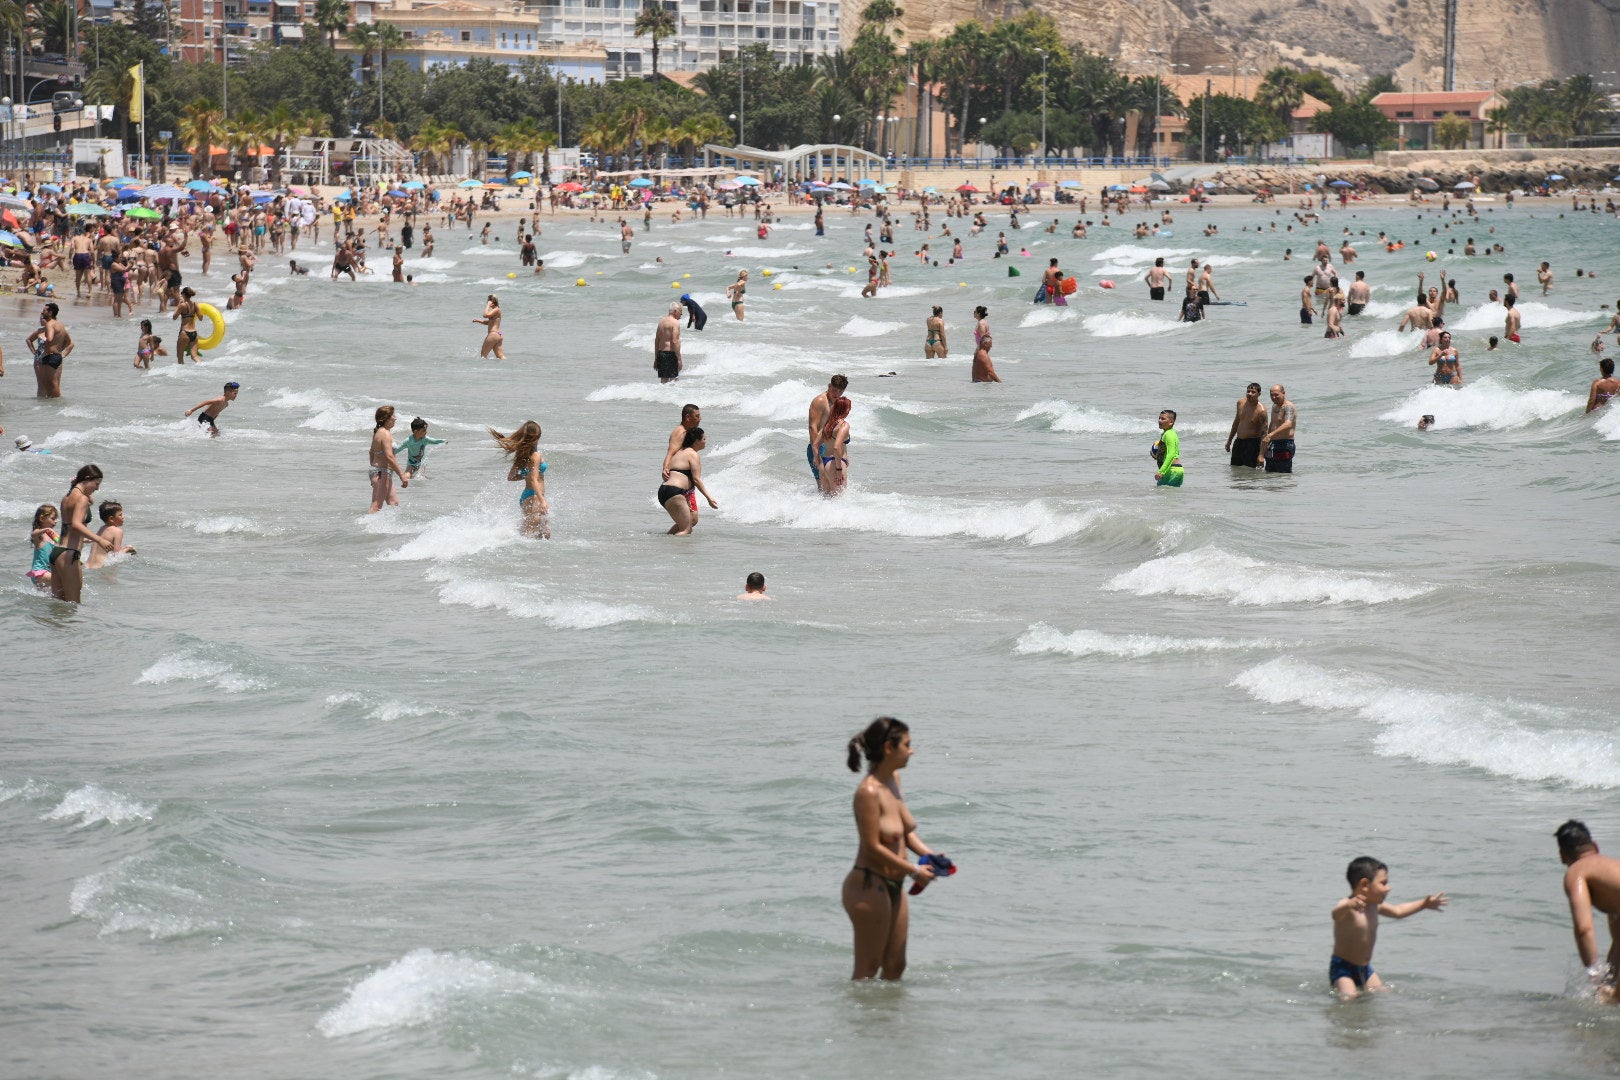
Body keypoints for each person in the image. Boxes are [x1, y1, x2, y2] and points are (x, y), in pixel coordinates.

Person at [842, 716, 937, 981]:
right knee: (867, 970)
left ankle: (888, 1022)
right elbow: (872, 846)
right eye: (907, 744)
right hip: (869, 886)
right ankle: (857, 1021)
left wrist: (929, 855)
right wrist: (913, 871)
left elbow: (904, 833)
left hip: (895, 883)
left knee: (895, 966)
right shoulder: (868, 793)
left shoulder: (893, 779)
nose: (912, 750)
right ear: (888, 748)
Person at [1329, 856, 1448, 1000]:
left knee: (1383, 994)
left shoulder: (1374, 906)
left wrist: (1423, 904)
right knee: (1349, 999)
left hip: (1365, 968)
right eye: (1383, 883)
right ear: (1365, 884)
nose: (1388, 888)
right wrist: (1348, 905)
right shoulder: (1347, 905)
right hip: (1343, 968)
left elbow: (1398, 911)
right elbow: (1335, 914)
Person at [1557, 820, 1620, 999]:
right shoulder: (1612, 873)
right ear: (1596, 846)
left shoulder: (1576, 872)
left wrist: (1594, 975)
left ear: (1562, 855)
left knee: (1611, 1000)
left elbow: (1584, 929)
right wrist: (1608, 981)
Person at [50, 464, 114, 602]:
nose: (97, 488)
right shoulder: (81, 498)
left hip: (57, 553)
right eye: (96, 484)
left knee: (58, 604)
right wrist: (100, 539)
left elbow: (89, 501)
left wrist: (74, 485)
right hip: (69, 554)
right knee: (73, 604)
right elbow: (76, 524)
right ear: (87, 478)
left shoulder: (67, 497)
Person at [491, 421, 550, 539]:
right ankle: (517, 551)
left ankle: (513, 542)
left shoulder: (523, 455)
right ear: (536, 437)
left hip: (529, 496)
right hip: (534, 496)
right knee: (531, 534)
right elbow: (533, 479)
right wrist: (542, 500)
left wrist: (526, 475)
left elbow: (511, 477)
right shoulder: (536, 455)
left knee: (543, 533)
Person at [658, 426, 717, 536]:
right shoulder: (693, 454)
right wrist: (709, 498)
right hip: (675, 492)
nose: (705, 441)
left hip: (665, 491)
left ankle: (665, 541)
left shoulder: (680, 452)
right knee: (686, 530)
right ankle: (670, 552)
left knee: (690, 521)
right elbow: (696, 479)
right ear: (697, 441)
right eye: (704, 439)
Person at [368, 406, 409, 513]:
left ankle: (388, 529)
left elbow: (371, 452)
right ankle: (362, 527)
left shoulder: (379, 432)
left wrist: (374, 469)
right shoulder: (385, 434)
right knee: (376, 506)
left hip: (381, 472)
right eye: (393, 416)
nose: (395, 418)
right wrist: (402, 475)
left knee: (394, 504)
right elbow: (389, 456)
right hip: (382, 473)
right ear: (386, 419)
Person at [807, 376, 849, 483]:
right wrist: (817, 453)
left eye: (841, 391)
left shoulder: (838, 402)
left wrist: (845, 453)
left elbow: (838, 432)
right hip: (819, 448)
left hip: (832, 449)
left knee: (831, 489)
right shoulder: (820, 401)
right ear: (829, 386)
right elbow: (813, 427)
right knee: (822, 486)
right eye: (835, 389)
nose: (837, 393)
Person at [27, 302, 73, 399]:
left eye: (44, 311)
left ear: (50, 313)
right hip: (56, 355)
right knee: (50, 383)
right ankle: (52, 407)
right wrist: (60, 350)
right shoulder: (60, 324)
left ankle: (55, 403)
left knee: (51, 383)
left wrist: (47, 347)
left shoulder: (50, 324)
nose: (42, 313)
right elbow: (68, 341)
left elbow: (50, 338)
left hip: (50, 356)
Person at [1224, 382, 1268, 468]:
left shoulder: (1261, 410)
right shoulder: (1240, 403)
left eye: (1253, 392)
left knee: (1251, 471)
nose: (1249, 394)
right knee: (1235, 468)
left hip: (1253, 443)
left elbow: (1264, 433)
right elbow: (1236, 422)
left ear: (1259, 394)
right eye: (1248, 391)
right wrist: (1229, 440)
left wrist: (1261, 455)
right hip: (1239, 441)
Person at [818, 397, 852, 497]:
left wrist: (818, 461)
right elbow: (837, 447)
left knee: (826, 499)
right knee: (838, 500)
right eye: (848, 409)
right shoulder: (844, 425)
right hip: (835, 464)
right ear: (844, 409)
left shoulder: (828, 424)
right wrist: (839, 469)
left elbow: (815, 445)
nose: (849, 411)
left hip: (824, 463)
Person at [85, 501, 135, 569]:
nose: (123, 517)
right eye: (120, 515)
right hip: (100, 568)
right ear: (111, 519)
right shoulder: (118, 531)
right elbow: (116, 556)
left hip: (87, 566)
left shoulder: (102, 528)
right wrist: (128, 549)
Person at [1262, 385, 1296, 474]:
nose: (1273, 397)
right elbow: (1272, 423)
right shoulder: (1274, 406)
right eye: (1271, 395)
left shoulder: (1288, 407)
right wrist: (1267, 440)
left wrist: (1270, 435)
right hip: (1272, 444)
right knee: (1269, 472)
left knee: (1283, 475)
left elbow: (1288, 424)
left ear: (1283, 393)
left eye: (1276, 395)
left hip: (1284, 444)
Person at [27, 503, 59, 590]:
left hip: (48, 571)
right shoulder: (39, 535)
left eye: (56, 518)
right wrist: (44, 530)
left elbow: (62, 542)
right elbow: (33, 534)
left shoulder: (53, 534)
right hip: (39, 572)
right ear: (42, 518)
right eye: (53, 518)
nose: (56, 521)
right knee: (61, 580)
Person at [1152, 409, 1183, 487]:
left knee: (1161, 494)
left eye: (1163, 419)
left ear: (1171, 422)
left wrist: (1161, 471)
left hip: (1171, 470)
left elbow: (1171, 454)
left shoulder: (1168, 434)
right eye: (1159, 418)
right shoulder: (1172, 433)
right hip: (1178, 470)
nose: (1159, 420)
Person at [654, 301, 683, 383]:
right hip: (671, 354)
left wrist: (656, 358)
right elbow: (675, 341)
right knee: (674, 381)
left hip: (661, 354)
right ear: (675, 311)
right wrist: (679, 359)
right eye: (680, 312)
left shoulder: (661, 322)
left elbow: (657, 341)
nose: (681, 315)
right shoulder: (675, 323)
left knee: (663, 381)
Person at [971, 306, 1001, 383]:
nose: (973, 313)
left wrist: (979, 351)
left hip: (980, 349)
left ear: (978, 313)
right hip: (981, 349)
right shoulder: (982, 322)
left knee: (978, 371)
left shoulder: (981, 323)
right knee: (980, 371)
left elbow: (983, 339)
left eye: (975, 312)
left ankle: (978, 383)